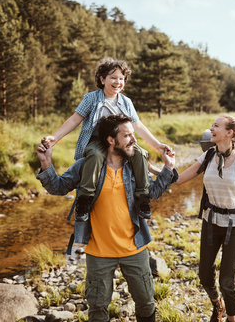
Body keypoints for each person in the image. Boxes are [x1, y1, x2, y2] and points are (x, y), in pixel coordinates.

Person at [36, 114, 178, 322]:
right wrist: (46, 163)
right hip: (98, 252)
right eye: (127, 135)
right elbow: (57, 187)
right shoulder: (87, 166)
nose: (134, 139)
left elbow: (153, 192)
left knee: (146, 303)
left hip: (135, 248)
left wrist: (169, 167)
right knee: (98, 308)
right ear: (111, 140)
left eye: (133, 134)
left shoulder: (134, 167)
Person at [42, 58, 171, 241]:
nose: (118, 82)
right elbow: (74, 119)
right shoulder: (91, 98)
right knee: (94, 155)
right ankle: (85, 200)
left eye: (121, 78)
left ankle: (143, 198)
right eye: (113, 77)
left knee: (141, 154)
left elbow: (138, 125)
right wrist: (54, 138)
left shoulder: (126, 102)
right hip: (97, 141)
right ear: (102, 79)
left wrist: (157, 145)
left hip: (121, 141)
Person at [176, 114, 235, 322]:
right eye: (212, 125)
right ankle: (216, 304)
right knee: (204, 276)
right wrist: (154, 170)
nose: (211, 129)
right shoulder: (209, 155)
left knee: (227, 281)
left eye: (216, 126)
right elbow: (180, 179)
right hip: (210, 223)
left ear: (229, 133)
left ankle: (232, 318)